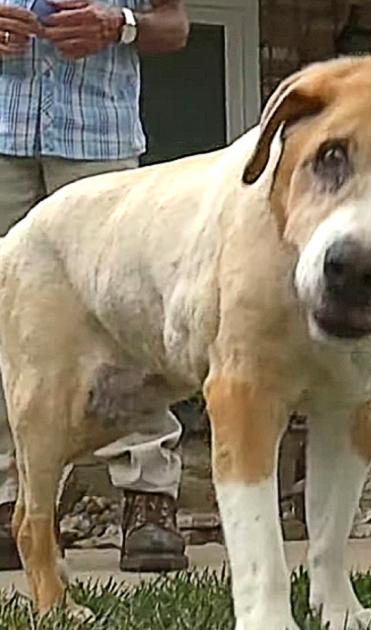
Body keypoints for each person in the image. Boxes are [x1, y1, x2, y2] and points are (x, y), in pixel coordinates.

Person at [0, 0, 189, 572]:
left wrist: (118, 25)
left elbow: (174, 24)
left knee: (128, 322)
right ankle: (13, 502)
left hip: (98, 143)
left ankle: (148, 497)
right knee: (5, 329)